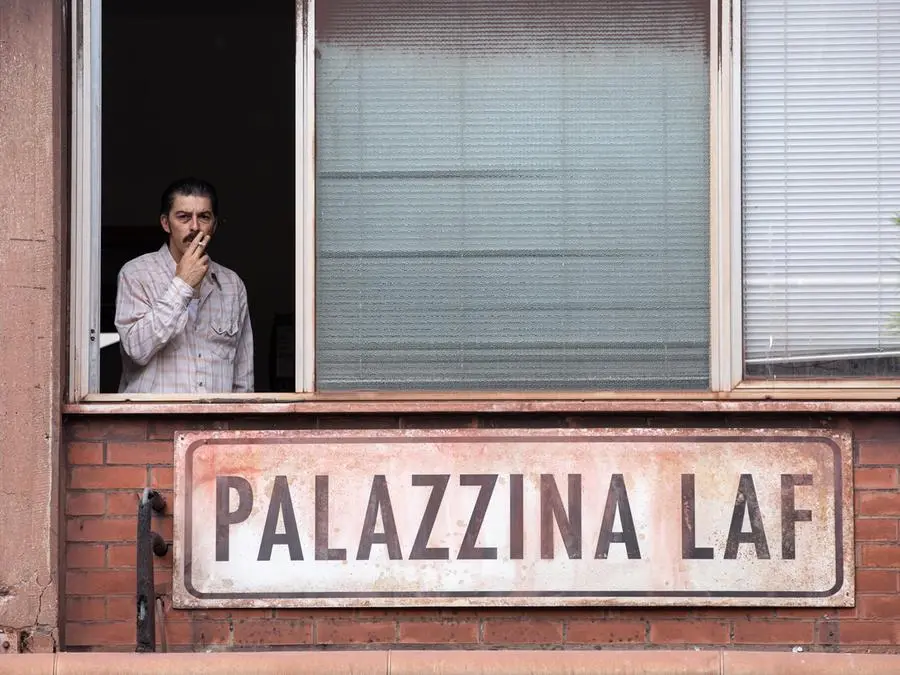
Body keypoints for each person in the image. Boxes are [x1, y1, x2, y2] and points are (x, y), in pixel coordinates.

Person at [115, 177, 254, 393]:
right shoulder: (136, 273)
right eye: (184, 217)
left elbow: (243, 379)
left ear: (214, 225)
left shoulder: (231, 285)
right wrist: (182, 285)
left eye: (204, 217)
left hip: (214, 423)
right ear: (165, 223)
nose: (195, 226)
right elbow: (136, 349)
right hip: (153, 424)